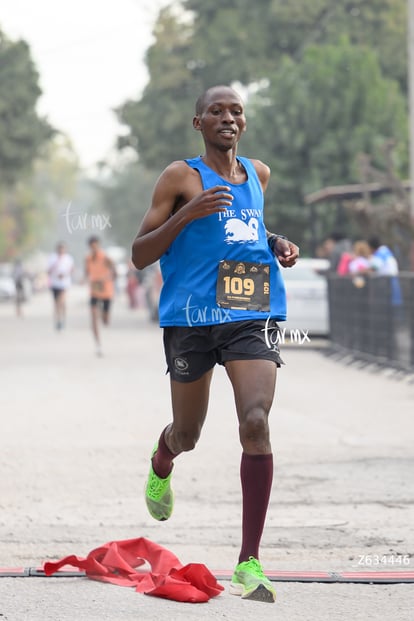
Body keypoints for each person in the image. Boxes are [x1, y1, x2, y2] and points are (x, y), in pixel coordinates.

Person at [131, 85, 299, 603]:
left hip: (251, 309)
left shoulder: (259, 174)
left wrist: (275, 243)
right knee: (189, 432)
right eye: (217, 112)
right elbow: (140, 253)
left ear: (243, 123)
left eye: (236, 112)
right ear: (198, 122)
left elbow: (246, 229)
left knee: (255, 420)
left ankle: (249, 562)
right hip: (191, 318)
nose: (228, 118)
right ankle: (163, 460)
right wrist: (189, 212)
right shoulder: (180, 177)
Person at [84, 236, 116, 356]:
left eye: (96, 246)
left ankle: (104, 315)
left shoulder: (105, 257)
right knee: (93, 317)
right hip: (94, 291)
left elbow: (114, 272)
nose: (94, 248)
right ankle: (98, 345)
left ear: (99, 245)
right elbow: (87, 272)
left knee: (105, 321)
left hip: (106, 291)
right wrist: (86, 279)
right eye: (92, 246)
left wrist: (105, 278)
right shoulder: (87, 259)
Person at [47, 242, 74, 330]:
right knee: (56, 304)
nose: (61, 250)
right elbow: (48, 270)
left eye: (63, 249)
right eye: (60, 249)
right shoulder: (52, 258)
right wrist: (55, 273)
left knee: (61, 302)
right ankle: (58, 320)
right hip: (55, 284)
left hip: (64, 284)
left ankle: (63, 319)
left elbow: (71, 270)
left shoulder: (68, 258)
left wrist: (64, 274)